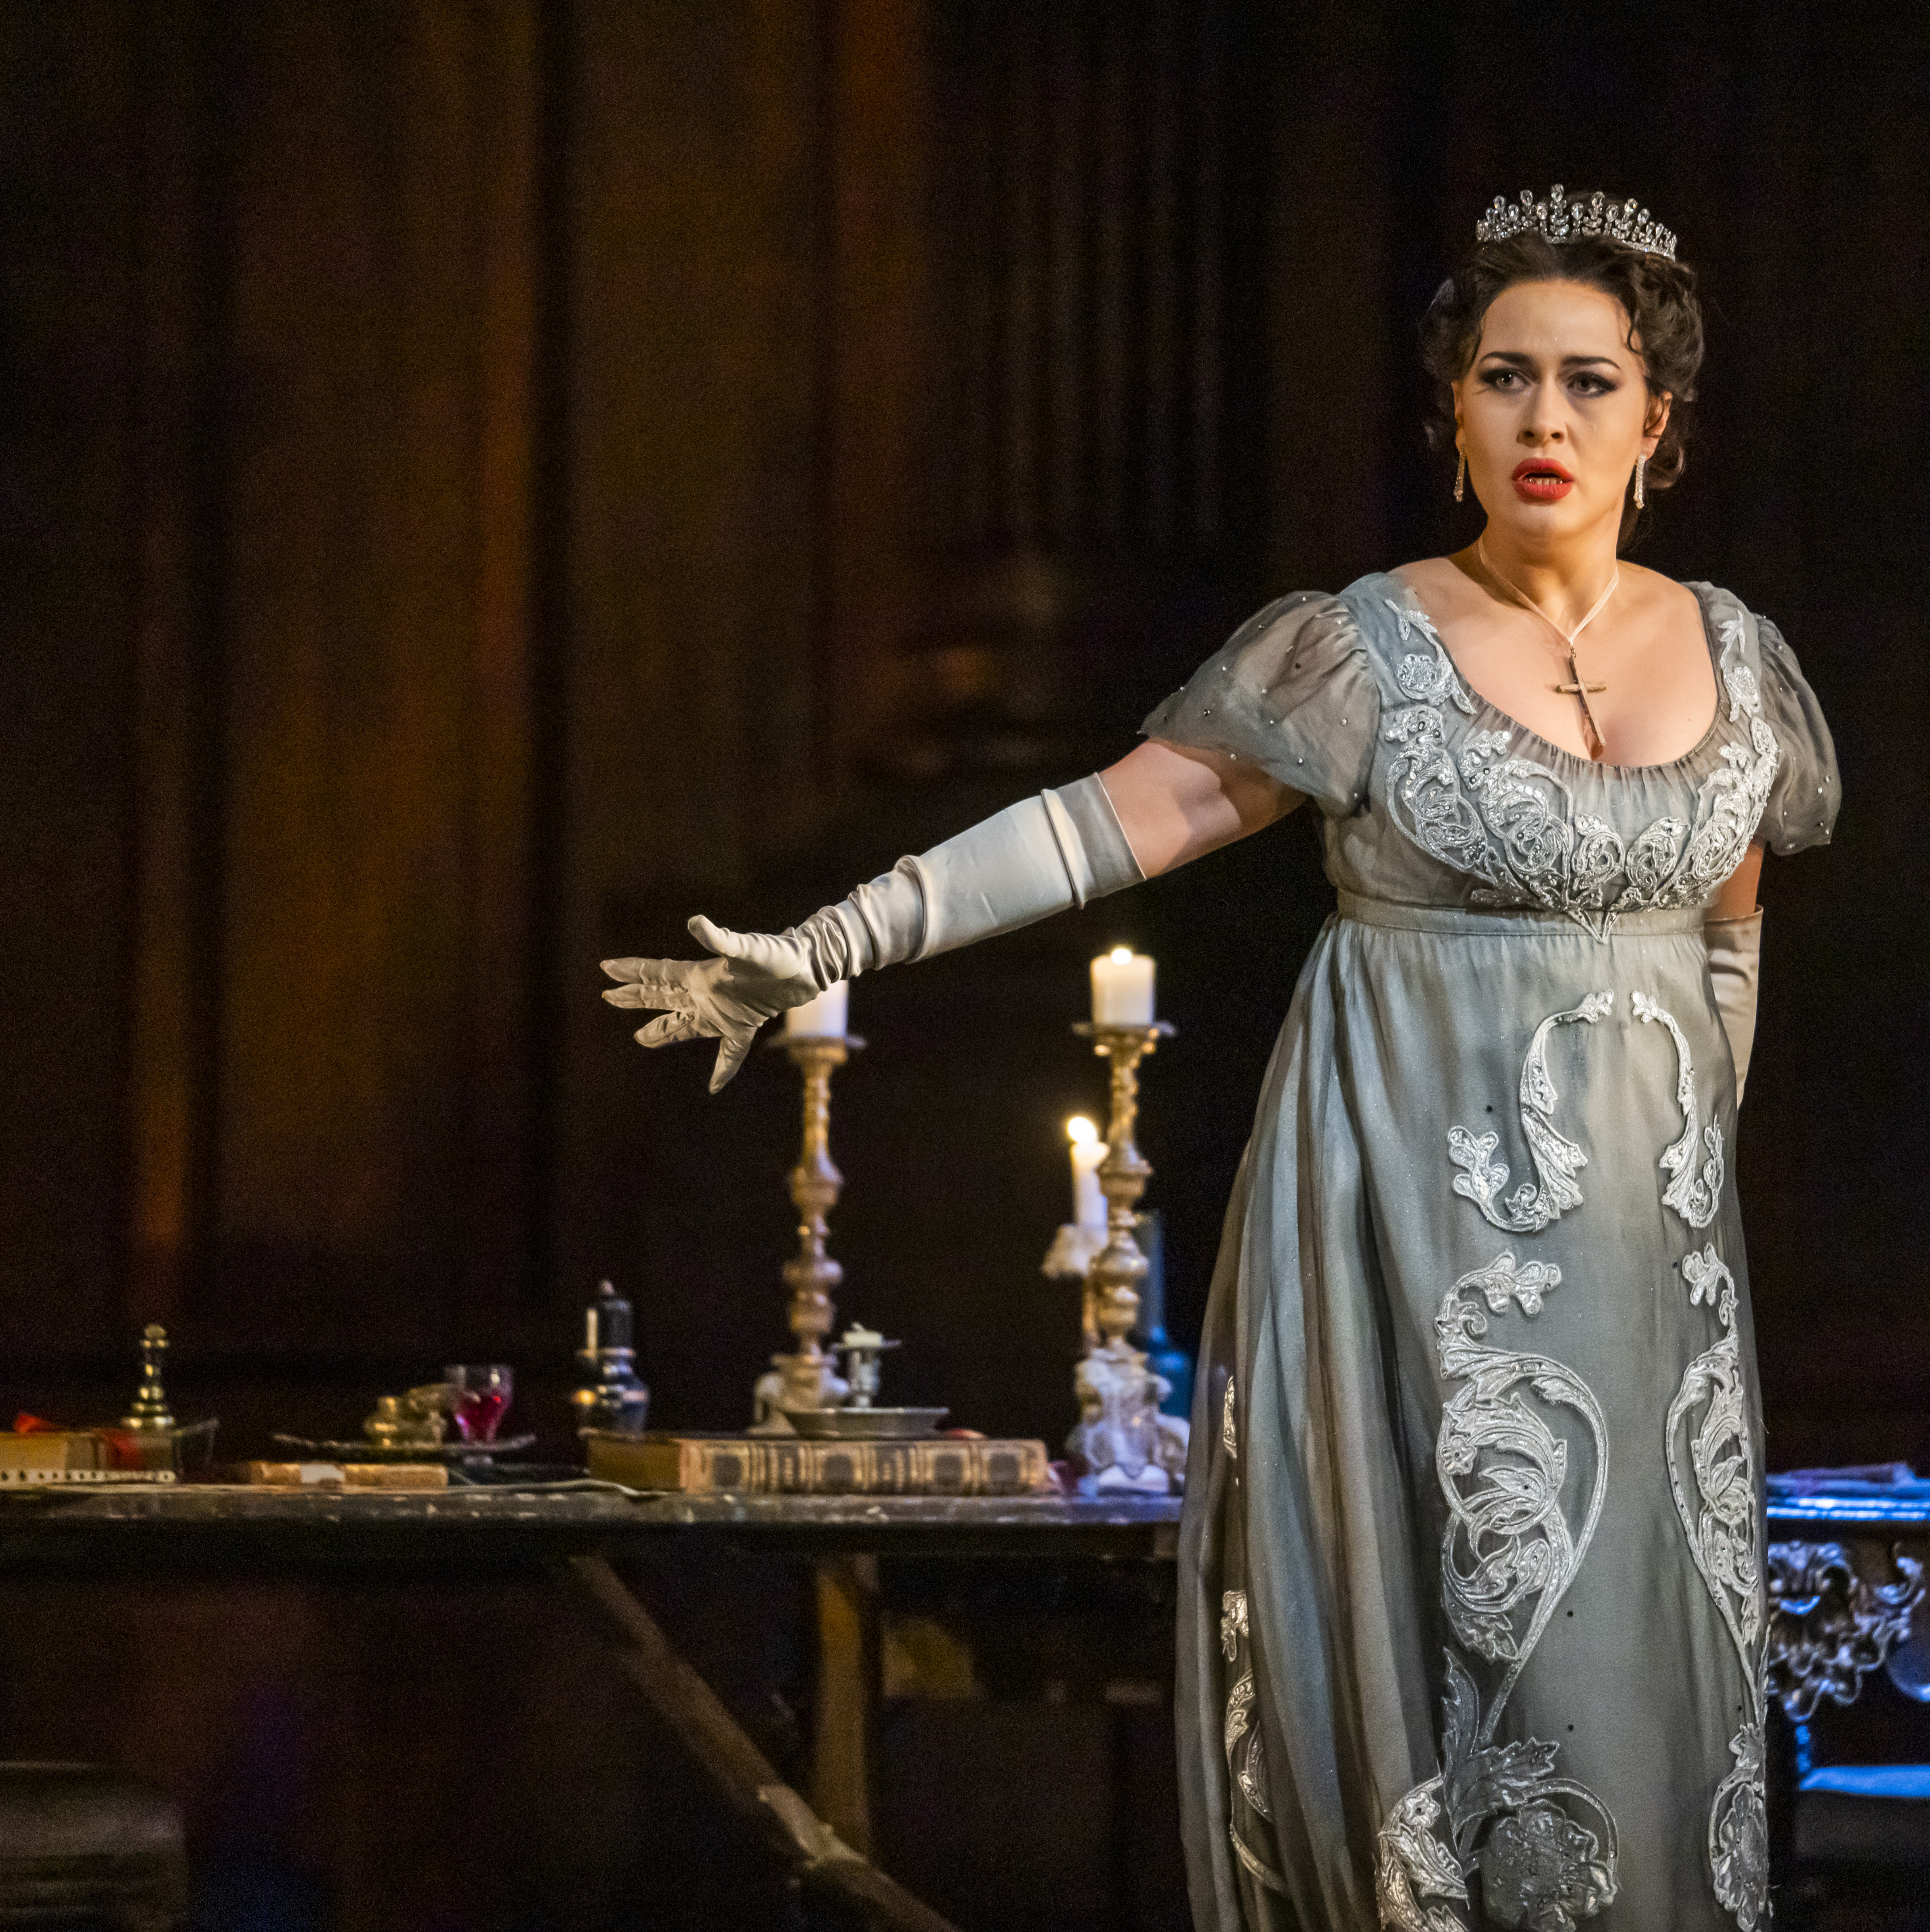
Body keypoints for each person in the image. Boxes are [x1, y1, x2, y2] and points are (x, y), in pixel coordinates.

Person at [602, 186, 1837, 1932]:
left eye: (1586, 381)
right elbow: (1102, 824)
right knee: (1421, 1711)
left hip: (1650, 1290)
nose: (1543, 419)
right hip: (1405, 1244)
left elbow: (1729, 939)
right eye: (1502, 379)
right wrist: (830, 942)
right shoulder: (1364, 650)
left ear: (1662, 422)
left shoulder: (1739, 666)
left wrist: (1688, 1195)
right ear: (1452, 414)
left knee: (1631, 1722)